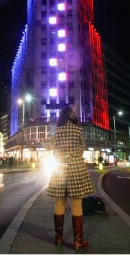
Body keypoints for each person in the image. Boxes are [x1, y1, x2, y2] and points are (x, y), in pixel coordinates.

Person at [45, 105, 95, 250]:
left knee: (59, 202)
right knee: (76, 204)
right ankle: (78, 241)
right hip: (75, 168)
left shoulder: (56, 131)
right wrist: (72, 156)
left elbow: (53, 150)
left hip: (59, 169)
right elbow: (81, 149)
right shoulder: (78, 130)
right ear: (73, 116)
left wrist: (63, 156)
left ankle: (58, 238)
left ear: (61, 117)